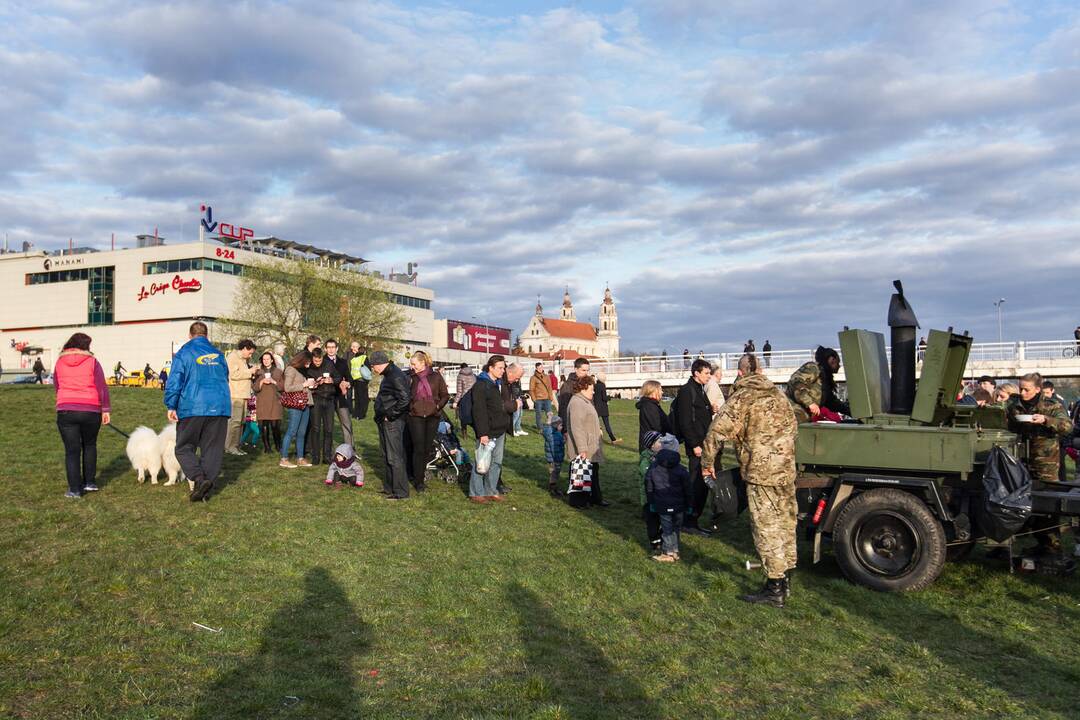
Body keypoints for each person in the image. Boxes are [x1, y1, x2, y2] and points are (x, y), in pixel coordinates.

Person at [703, 354, 798, 607]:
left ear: (741, 373)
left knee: (766, 528)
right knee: (786, 524)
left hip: (761, 473)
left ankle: (774, 588)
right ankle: (786, 578)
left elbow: (716, 433)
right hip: (786, 472)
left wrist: (707, 464)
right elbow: (794, 429)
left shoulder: (742, 398)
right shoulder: (780, 396)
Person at [1007, 373, 1073, 555]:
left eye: (1026, 389)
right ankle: (1015, 541)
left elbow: (1067, 426)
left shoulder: (1051, 405)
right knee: (1019, 501)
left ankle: (1052, 546)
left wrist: (1046, 420)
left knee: (1047, 504)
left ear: (1037, 389)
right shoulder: (1015, 406)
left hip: (1046, 463)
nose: (1022, 392)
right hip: (1020, 460)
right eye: (1020, 388)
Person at [164, 321, 231, 502]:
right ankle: (206, 490)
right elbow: (225, 377)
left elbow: (175, 380)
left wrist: (171, 405)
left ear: (190, 335)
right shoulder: (218, 355)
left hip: (192, 406)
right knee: (212, 450)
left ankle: (200, 479)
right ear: (206, 335)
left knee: (184, 447)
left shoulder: (184, 353)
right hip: (219, 407)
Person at [53, 333, 110, 498]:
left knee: (72, 451)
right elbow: (101, 387)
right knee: (90, 445)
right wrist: (105, 409)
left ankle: (74, 489)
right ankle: (90, 482)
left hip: (66, 409)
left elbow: (57, 385)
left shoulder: (59, 362)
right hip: (91, 409)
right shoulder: (93, 362)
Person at [674, 358, 714, 535]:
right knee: (695, 484)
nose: (709, 376)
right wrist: (694, 445)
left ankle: (693, 520)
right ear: (696, 373)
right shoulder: (686, 391)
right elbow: (685, 421)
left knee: (702, 484)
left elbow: (697, 414)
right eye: (706, 373)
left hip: (704, 443)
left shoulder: (699, 389)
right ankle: (688, 522)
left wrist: (709, 409)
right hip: (696, 446)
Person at [468, 355, 511, 504]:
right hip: (487, 430)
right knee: (481, 461)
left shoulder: (498, 384)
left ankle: (491, 490)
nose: (503, 371)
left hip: (499, 430)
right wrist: (482, 433)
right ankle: (476, 492)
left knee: (496, 462)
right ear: (491, 368)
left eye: (504, 368)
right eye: (500, 368)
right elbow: (479, 411)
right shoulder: (481, 385)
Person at [407, 350, 449, 493]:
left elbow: (445, 395)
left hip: (432, 416)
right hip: (416, 416)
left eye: (414, 364)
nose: (412, 367)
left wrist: (437, 407)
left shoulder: (436, 377)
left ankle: (419, 474)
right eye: (411, 364)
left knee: (426, 448)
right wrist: (411, 407)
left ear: (422, 363)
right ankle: (418, 481)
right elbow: (406, 395)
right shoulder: (411, 377)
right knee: (418, 448)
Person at [371, 350, 411, 500]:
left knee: (395, 456)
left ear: (379, 364)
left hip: (393, 422)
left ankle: (401, 492)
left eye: (373, 366)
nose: (373, 369)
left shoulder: (395, 376)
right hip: (385, 420)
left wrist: (391, 415)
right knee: (387, 454)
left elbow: (405, 399)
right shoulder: (390, 374)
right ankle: (389, 487)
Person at [566, 375, 609, 507]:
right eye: (591, 389)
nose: (594, 391)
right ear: (583, 388)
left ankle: (594, 498)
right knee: (581, 473)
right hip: (584, 447)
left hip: (590, 444)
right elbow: (577, 427)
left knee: (592, 472)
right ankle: (578, 501)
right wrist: (582, 449)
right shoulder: (577, 403)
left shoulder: (584, 401)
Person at [646, 443, 693, 563]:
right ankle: (675, 551)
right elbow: (688, 489)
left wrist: (651, 503)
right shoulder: (682, 470)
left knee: (667, 529)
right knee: (676, 528)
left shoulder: (653, 469)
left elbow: (649, 487)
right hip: (679, 506)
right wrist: (689, 505)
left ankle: (668, 552)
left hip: (662, 505)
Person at [786, 346, 849, 423]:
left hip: (803, 418)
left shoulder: (825, 379)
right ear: (832, 360)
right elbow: (796, 382)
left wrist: (849, 410)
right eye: (837, 362)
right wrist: (810, 403)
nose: (839, 366)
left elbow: (831, 402)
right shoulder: (814, 368)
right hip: (791, 414)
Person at [638, 430, 676, 556]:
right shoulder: (646, 459)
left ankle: (664, 541)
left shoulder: (663, 457)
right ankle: (655, 544)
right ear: (651, 445)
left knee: (664, 521)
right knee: (652, 523)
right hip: (649, 499)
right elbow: (646, 474)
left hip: (661, 498)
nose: (662, 443)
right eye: (659, 442)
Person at [305, 348, 342, 465]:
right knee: (315, 429)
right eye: (315, 361)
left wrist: (332, 380)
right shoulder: (309, 368)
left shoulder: (329, 364)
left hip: (329, 399)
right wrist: (316, 383)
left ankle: (327, 456)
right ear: (312, 358)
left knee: (329, 429)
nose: (317, 363)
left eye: (319, 360)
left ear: (322, 357)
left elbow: (338, 378)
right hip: (316, 399)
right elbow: (307, 385)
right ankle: (315, 457)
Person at [280, 351, 315, 469]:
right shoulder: (290, 369)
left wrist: (312, 386)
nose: (309, 364)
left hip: (305, 403)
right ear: (302, 360)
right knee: (292, 431)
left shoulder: (302, 371)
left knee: (301, 433)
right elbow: (287, 388)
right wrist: (304, 385)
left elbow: (303, 387)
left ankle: (300, 458)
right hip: (295, 405)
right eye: (308, 362)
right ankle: (284, 458)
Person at [225, 339, 258, 456]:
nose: (251, 355)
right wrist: (250, 372)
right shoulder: (232, 357)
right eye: (250, 352)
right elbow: (233, 375)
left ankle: (236, 446)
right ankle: (230, 447)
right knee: (234, 422)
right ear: (244, 348)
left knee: (241, 422)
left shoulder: (244, 359)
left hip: (243, 395)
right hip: (236, 395)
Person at [323, 339, 354, 448]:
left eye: (333, 347)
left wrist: (348, 383)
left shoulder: (343, 362)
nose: (331, 349)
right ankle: (329, 451)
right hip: (327, 397)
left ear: (337, 349)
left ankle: (350, 449)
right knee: (328, 426)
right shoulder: (321, 361)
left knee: (347, 423)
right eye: (329, 347)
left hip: (340, 396)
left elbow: (349, 377)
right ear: (325, 349)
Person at [253, 351, 283, 454]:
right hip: (262, 401)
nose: (266, 361)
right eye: (264, 359)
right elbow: (255, 388)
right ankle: (267, 447)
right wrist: (261, 382)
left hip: (275, 401)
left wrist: (274, 381)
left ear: (271, 360)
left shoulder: (278, 372)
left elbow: (283, 387)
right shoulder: (258, 372)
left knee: (275, 426)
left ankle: (279, 446)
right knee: (263, 425)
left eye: (268, 359)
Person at [636, 380, 672, 450]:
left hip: (656, 444)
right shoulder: (648, 406)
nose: (662, 392)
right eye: (660, 389)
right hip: (651, 446)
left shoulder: (653, 405)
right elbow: (657, 425)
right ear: (653, 391)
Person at [558, 358, 591, 427]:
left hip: (588, 423)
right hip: (574, 424)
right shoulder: (567, 385)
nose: (586, 373)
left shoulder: (588, 383)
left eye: (587, 370)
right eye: (583, 370)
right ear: (576, 369)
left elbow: (591, 404)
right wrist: (565, 429)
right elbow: (563, 409)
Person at [346, 341, 371, 420]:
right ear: (364, 351)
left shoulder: (354, 359)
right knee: (363, 398)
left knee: (357, 398)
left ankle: (355, 414)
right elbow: (368, 368)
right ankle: (361, 414)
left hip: (355, 379)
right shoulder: (364, 357)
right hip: (362, 380)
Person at [542, 413, 565, 497]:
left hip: (558, 458)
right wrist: (549, 419)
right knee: (553, 474)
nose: (562, 427)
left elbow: (559, 443)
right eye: (560, 425)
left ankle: (554, 487)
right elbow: (546, 430)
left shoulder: (558, 434)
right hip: (553, 459)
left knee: (556, 473)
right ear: (555, 425)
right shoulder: (550, 434)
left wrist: (564, 440)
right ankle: (552, 489)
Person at [594, 371, 620, 443]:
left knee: (595, 423)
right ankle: (613, 439)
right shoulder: (602, 385)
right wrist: (610, 396)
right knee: (607, 424)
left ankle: (596, 436)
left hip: (596, 407)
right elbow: (604, 398)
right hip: (603, 408)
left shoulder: (595, 386)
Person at [530, 362, 554, 431]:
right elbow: (531, 389)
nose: (540, 369)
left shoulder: (547, 376)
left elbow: (549, 387)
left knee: (549, 414)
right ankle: (540, 429)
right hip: (538, 399)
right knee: (539, 415)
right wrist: (534, 399)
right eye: (539, 368)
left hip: (547, 398)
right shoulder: (533, 378)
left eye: (541, 367)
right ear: (536, 368)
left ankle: (549, 427)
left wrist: (551, 396)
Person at [455, 363, 477, 439]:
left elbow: (459, 390)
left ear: (461, 368)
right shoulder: (473, 375)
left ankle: (464, 435)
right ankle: (478, 433)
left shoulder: (460, 376)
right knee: (473, 416)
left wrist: (455, 402)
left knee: (463, 417)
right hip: (473, 397)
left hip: (464, 398)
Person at [507, 363, 528, 436]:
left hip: (518, 396)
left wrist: (522, 395)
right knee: (516, 414)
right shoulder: (511, 380)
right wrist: (514, 398)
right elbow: (512, 389)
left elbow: (519, 388)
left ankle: (518, 429)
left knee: (520, 414)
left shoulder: (518, 380)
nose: (518, 378)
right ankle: (511, 429)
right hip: (514, 397)